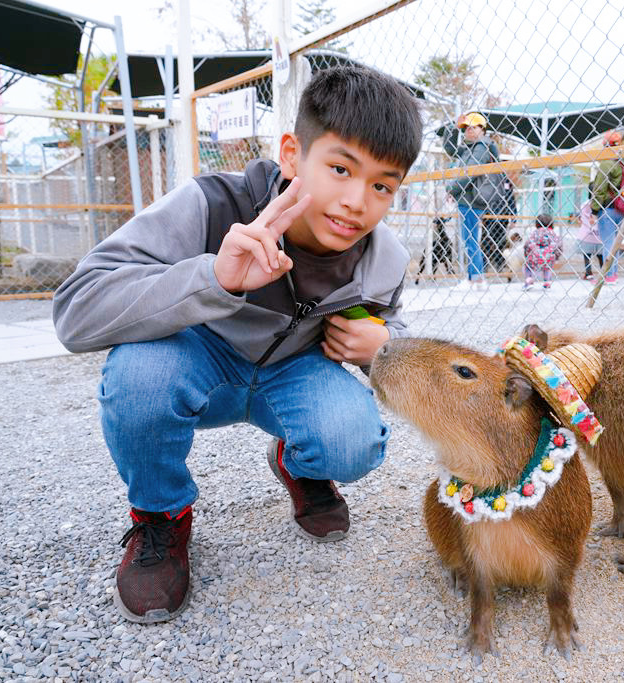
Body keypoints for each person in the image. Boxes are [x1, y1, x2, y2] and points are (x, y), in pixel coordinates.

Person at [51, 66, 423, 624]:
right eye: (341, 168)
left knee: (354, 441)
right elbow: (75, 313)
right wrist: (212, 280)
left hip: (290, 373)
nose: (356, 202)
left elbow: (397, 336)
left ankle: (298, 462)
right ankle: (162, 516)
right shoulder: (209, 204)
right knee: (139, 381)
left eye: (382, 186)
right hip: (199, 359)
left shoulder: (383, 258)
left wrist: (383, 347)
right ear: (293, 155)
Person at [447, 112, 499, 289]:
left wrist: (452, 189)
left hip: (471, 198)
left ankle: (476, 278)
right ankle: (474, 277)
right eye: (466, 128)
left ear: (482, 129)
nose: (468, 130)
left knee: (470, 239)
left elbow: (469, 172)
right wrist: (454, 129)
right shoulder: (471, 147)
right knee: (470, 238)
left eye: (473, 127)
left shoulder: (481, 146)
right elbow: (450, 149)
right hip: (470, 198)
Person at [589, 130, 624, 284]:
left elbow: (599, 188)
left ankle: (608, 275)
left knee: (608, 242)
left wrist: (594, 211)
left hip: (607, 207)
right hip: (622, 207)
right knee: (615, 241)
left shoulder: (607, 163)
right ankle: (612, 274)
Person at [482, 170, 518, 276]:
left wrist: (513, 218)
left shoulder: (506, 183)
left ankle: (499, 264)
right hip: (489, 218)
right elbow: (483, 200)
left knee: (501, 242)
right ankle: (484, 265)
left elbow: (511, 201)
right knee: (486, 242)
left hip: (502, 217)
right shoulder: (487, 182)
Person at [523, 213, 562, 290]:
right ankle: (547, 282)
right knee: (547, 268)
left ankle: (529, 280)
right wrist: (556, 257)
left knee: (528, 267)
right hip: (549, 256)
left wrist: (526, 254)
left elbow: (527, 244)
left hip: (535, 256)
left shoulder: (535, 232)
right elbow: (559, 245)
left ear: (537, 224)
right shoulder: (553, 233)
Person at [414, 216, 455, 284]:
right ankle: (448, 268)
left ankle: (448, 268)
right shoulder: (437, 234)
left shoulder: (437, 234)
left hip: (437, 251)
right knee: (444, 248)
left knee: (430, 256)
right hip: (437, 251)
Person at [576, 200, 604, 280]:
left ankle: (589, 273)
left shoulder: (584, 205)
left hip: (586, 234)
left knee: (587, 254)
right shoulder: (601, 203)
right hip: (598, 234)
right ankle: (603, 272)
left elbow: (580, 218)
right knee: (600, 255)